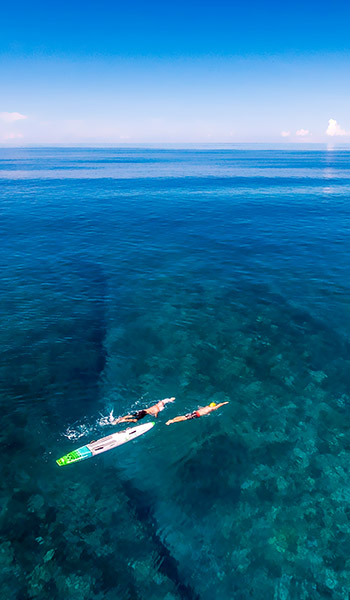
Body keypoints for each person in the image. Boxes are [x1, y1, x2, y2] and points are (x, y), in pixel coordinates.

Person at [109, 397, 175, 424]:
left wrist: (170, 399)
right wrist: (156, 417)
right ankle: (124, 420)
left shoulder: (158, 404)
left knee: (132, 415)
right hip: (143, 414)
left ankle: (122, 418)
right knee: (135, 420)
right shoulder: (157, 410)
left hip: (142, 411)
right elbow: (156, 415)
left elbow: (163, 401)